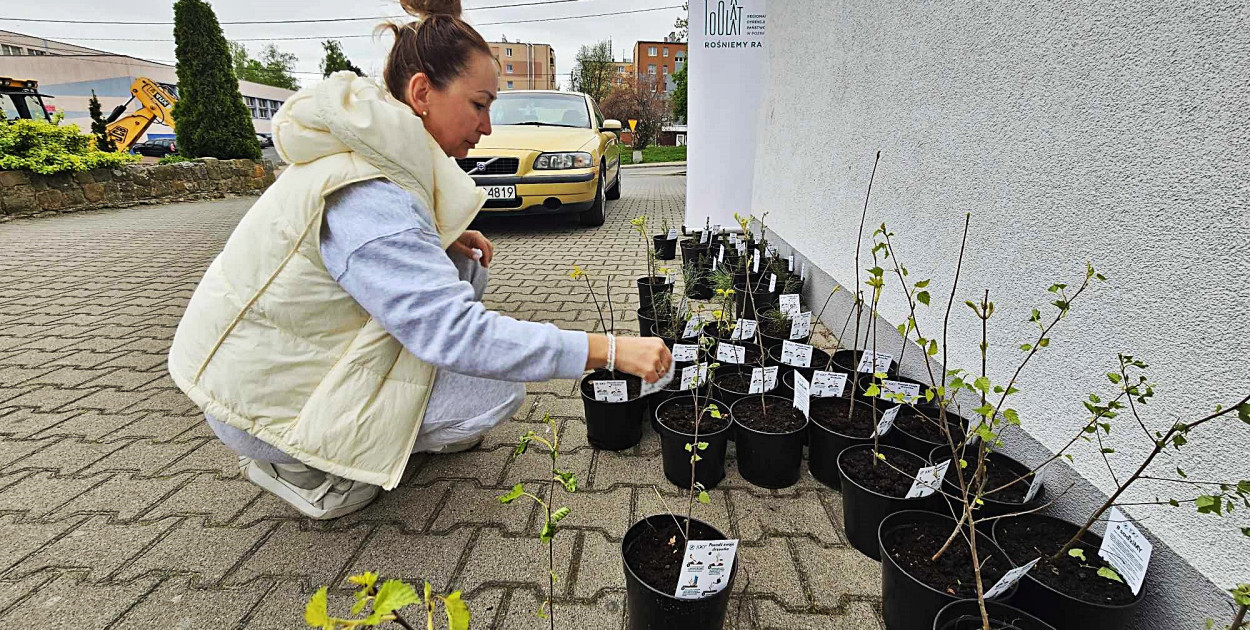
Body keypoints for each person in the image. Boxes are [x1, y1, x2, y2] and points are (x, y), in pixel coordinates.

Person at [166, 0, 671, 520]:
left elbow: (389, 252)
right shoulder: (369, 195)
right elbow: (458, 335)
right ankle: (299, 468)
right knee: (494, 392)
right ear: (423, 93)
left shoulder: (375, 148)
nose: (488, 127)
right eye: (479, 105)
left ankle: (391, 429)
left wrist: (440, 235)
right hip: (251, 402)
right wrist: (609, 350)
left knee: (464, 266)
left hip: (276, 362)